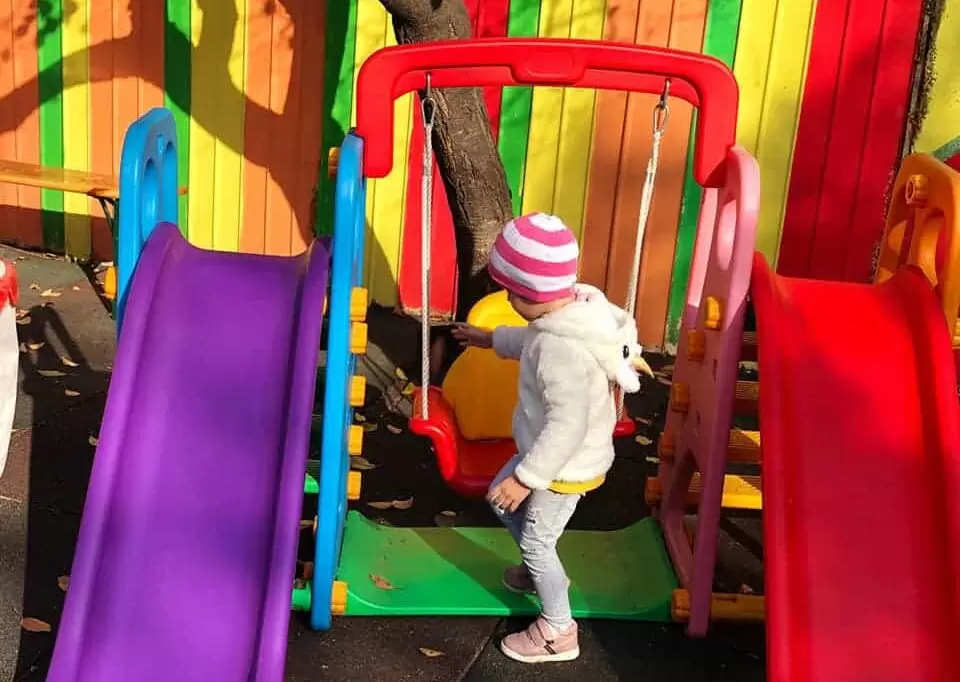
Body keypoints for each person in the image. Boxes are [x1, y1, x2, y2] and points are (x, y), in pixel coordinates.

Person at [452, 212, 651, 664]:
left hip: (564, 464)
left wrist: (525, 478)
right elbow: (531, 338)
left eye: (510, 292)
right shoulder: (570, 312)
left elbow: (567, 425)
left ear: (532, 293)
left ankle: (558, 630)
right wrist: (489, 339)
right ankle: (539, 572)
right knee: (501, 502)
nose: (507, 299)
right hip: (547, 452)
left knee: (536, 539)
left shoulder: (562, 349)